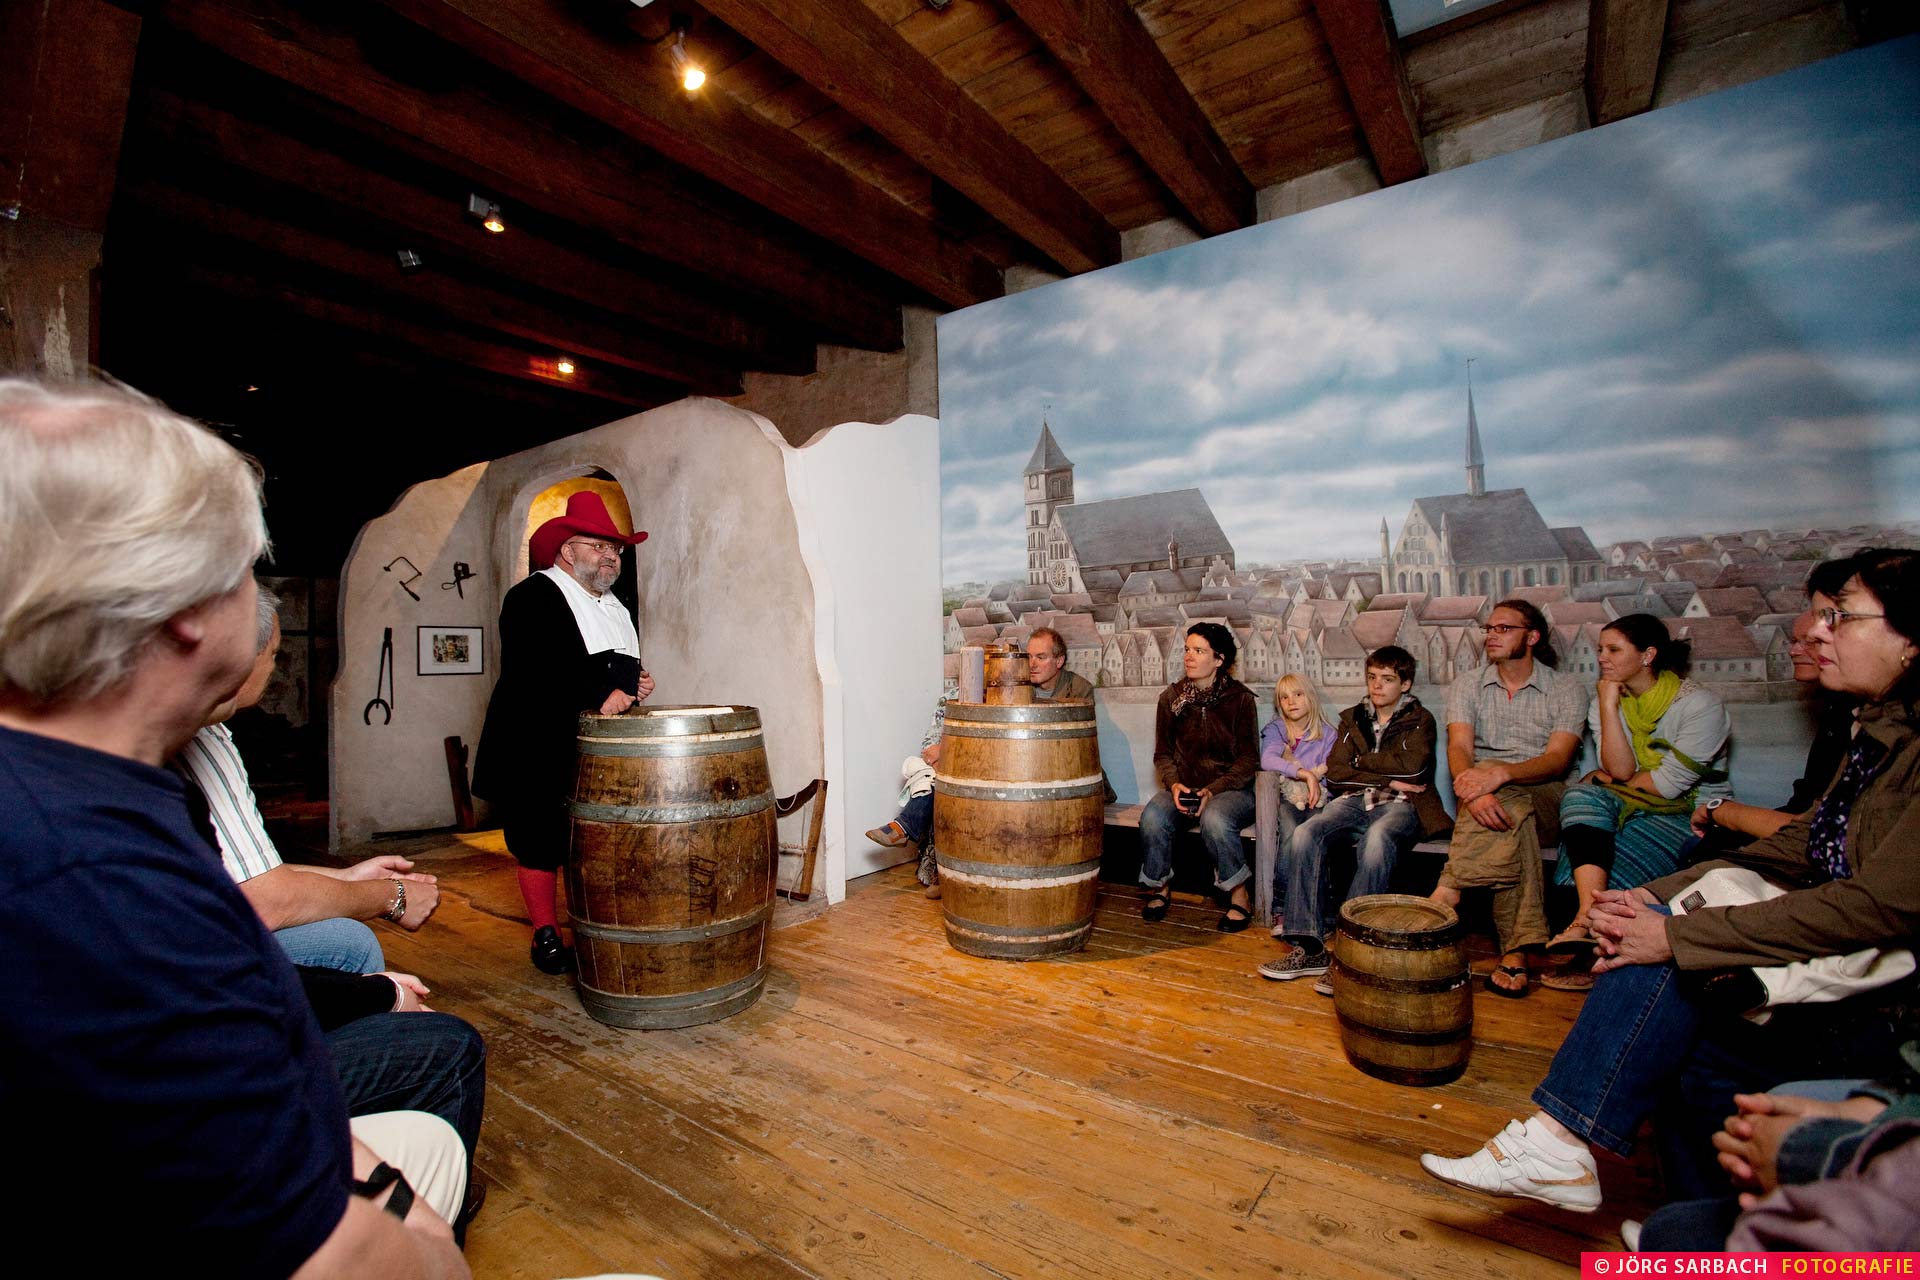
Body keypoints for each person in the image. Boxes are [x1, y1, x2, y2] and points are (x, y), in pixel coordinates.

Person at [0, 377, 471, 1274]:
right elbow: (330, 1254)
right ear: (185, 606)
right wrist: (419, 1237)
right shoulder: (96, 883)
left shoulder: (103, 798)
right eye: (244, 572)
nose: (260, 607)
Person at [1419, 549, 1920, 1218]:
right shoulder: (1878, 731)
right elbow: (1808, 841)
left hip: (1890, 1006)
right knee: (1669, 994)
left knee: (1659, 957)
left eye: (1840, 617)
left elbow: (1878, 905)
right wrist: (1658, 898)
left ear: (1913, 639)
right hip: (1842, 952)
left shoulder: (1719, 709)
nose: (1819, 631)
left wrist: (1677, 930)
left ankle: (1561, 1140)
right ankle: (1686, 1225)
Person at [177, 587, 440, 973]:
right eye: (275, 654)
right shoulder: (202, 734)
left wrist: (347, 878)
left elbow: (240, 872)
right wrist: (392, 896)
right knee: (348, 945)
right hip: (174, 949)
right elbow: (265, 899)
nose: (274, 667)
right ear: (237, 657)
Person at [473, 490, 653, 974]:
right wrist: (600, 698)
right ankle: (545, 935)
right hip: (537, 741)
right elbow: (536, 673)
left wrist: (636, 683)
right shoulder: (532, 596)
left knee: (588, 840)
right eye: (597, 546)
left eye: (615, 549)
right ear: (566, 551)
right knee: (539, 840)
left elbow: (615, 667)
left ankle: (593, 924)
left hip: (595, 745)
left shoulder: (616, 606)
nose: (610, 556)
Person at [1260, 647, 1450, 991]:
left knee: (1376, 842)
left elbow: (1415, 769)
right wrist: (1385, 774)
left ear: (1405, 684)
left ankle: (1350, 953)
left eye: (1388, 679)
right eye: (1372, 677)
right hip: (1352, 800)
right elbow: (1336, 773)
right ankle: (1308, 946)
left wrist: (1366, 766)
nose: (1377, 686)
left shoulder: (1421, 720)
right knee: (1306, 833)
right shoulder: (1351, 719)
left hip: (1403, 803)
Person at [1548, 614, 1732, 962]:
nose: (1602, 657)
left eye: (1614, 650)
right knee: (1579, 796)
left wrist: (1611, 780)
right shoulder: (1606, 701)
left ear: (1648, 655)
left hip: (1692, 816)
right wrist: (1606, 705)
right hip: (1632, 804)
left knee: (1600, 857)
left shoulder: (1699, 705)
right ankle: (1587, 912)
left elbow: (1666, 786)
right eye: (1600, 649)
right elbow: (1620, 769)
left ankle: (1591, 949)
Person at [1428, 600, 1587, 998]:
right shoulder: (1468, 683)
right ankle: (1517, 950)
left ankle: (1449, 888)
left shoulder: (1566, 688)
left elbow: (1557, 760)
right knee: (1517, 824)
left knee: (1513, 799)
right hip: (1489, 796)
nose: (1492, 636)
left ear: (1531, 637)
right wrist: (1474, 787)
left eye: (1504, 629)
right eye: (1489, 629)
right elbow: (1460, 748)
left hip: (1547, 794)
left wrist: (1500, 774)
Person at [1139, 623, 1260, 932]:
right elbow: (1162, 755)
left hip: (1231, 789)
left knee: (1215, 819)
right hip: (1185, 785)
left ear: (1219, 660)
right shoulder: (1171, 698)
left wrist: (1212, 790)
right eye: (1187, 649)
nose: (1189, 657)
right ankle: (1159, 887)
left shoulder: (1241, 700)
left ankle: (1239, 894)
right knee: (1153, 815)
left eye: (1199, 651)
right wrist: (1175, 784)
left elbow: (1249, 761)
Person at [1026, 626, 1095, 701]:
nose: (1031, 665)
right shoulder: (1017, 687)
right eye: (1029, 657)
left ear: (1059, 661)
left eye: (1040, 658)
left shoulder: (1079, 690)